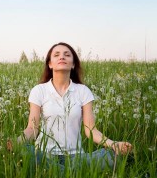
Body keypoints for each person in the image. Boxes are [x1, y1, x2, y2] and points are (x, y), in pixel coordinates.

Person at [7, 42, 133, 172]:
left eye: (67, 55)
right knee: (24, 151)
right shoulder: (39, 90)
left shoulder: (83, 91)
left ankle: (54, 172)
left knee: (111, 155)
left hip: (76, 157)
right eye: (56, 55)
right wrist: (17, 142)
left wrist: (114, 144)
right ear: (50, 64)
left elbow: (91, 130)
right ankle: (71, 172)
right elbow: (32, 128)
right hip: (44, 155)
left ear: (73, 64)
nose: (62, 57)